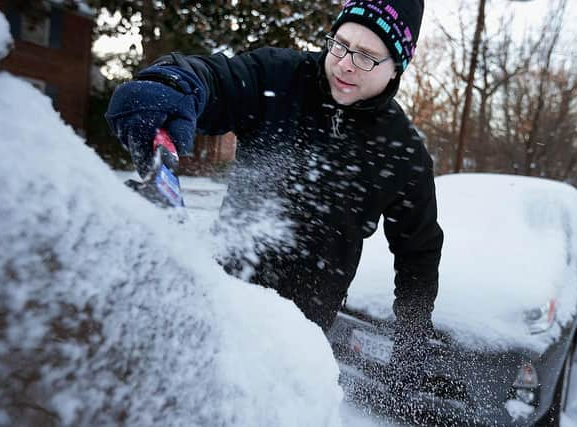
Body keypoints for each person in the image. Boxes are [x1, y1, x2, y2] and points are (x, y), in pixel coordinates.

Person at [106, 0, 443, 388]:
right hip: (221, 303)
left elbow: (418, 252)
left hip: (299, 340)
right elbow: (217, 78)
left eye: (366, 56)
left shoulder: (403, 152)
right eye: (341, 44)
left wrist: (412, 341)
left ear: (397, 66)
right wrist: (173, 82)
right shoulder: (282, 76)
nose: (346, 63)